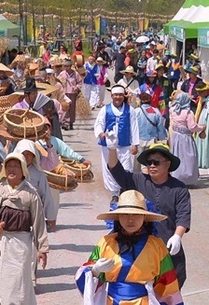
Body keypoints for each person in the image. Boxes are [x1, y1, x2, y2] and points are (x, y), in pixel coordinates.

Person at [75, 190, 184, 304]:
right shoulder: (106, 243)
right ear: (118, 217)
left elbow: (168, 286)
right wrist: (94, 271)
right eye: (125, 214)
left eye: (136, 214)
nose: (130, 219)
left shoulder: (157, 246)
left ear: (144, 217)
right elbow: (85, 276)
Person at [106, 142, 191, 289]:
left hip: (167, 245)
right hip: (139, 247)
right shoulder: (138, 180)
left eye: (156, 162)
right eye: (149, 162)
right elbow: (116, 170)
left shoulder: (179, 189)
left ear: (168, 164)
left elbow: (183, 216)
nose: (152, 166)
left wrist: (177, 237)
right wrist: (112, 148)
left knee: (172, 285)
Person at [0, 153, 49, 305]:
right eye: (8, 166)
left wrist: (42, 248)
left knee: (19, 282)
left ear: (22, 169)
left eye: (15, 166)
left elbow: (38, 221)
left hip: (21, 245)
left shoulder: (30, 194)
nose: (11, 169)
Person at [94, 85, 140, 205]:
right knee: (109, 169)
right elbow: (99, 123)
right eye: (116, 95)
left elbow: (134, 127)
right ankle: (114, 194)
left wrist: (135, 144)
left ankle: (124, 191)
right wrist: (100, 133)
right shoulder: (105, 109)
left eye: (120, 95)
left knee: (126, 168)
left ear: (123, 95)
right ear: (112, 96)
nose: (118, 97)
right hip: (108, 146)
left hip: (124, 146)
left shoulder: (130, 110)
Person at [13, 139, 57, 230]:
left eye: (29, 154)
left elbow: (46, 195)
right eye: (23, 153)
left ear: (34, 156)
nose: (26, 157)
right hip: (14, 211)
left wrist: (51, 217)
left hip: (34, 212)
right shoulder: (10, 172)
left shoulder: (39, 174)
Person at [169, 92, 206, 185]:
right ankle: (188, 179)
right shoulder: (188, 113)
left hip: (176, 137)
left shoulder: (173, 110)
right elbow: (192, 127)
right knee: (189, 158)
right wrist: (202, 128)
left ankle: (176, 177)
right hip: (186, 138)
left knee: (177, 156)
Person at [135, 92, 167, 172]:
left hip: (139, 140)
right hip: (152, 141)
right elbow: (160, 127)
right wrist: (162, 139)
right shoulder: (156, 111)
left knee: (138, 163)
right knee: (149, 162)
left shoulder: (136, 111)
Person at [194, 82, 209, 180]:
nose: (199, 94)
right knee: (201, 145)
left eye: (201, 92)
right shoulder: (201, 100)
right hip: (202, 122)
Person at [57, 58, 83, 130]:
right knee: (65, 107)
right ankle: (65, 122)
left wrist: (77, 87)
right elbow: (58, 82)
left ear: (70, 66)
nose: (66, 68)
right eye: (65, 66)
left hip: (72, 93)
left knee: (72, 108)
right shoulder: (62, 74)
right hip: (64, 93)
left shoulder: (75, 74)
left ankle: (71, 122)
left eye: (68, 66)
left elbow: (80, 82)